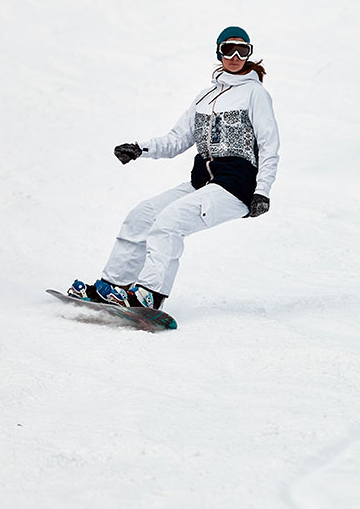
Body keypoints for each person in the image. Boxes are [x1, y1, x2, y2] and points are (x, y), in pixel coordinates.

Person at [67, 27, 280, 310]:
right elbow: (179, 138)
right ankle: (113, 286)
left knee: (169, 222)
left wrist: (262, 191)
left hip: (235, 186)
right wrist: (140, 148)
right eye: (229, 49)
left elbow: (269, 145)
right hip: (202, 184)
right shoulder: (205, 97)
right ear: (219, 52)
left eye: (243, 50)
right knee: (141, 216)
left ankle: (150, 294)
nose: (236, 56)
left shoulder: (255, 94)